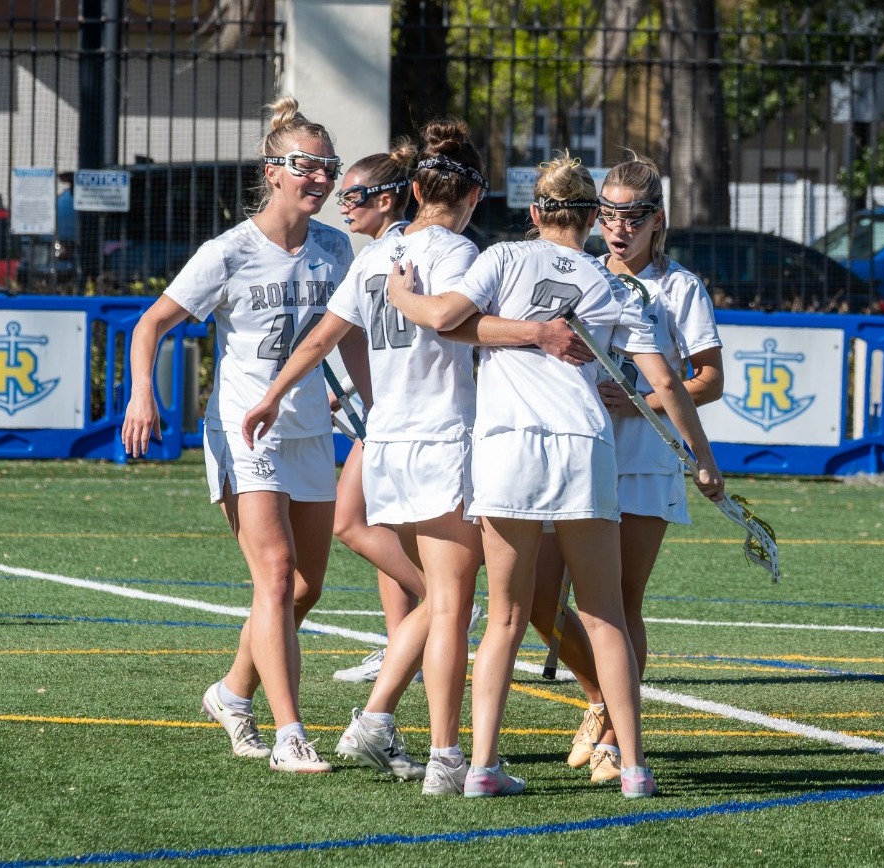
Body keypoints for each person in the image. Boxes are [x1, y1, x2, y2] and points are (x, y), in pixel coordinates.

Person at [385, 151, 724, 799]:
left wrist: (402, 291)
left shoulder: (503, 258)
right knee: (604, 616)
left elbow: (444, 320)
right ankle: (632, 767)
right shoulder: (611, 283)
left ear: (535, 210)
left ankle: (481, 767)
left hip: (507, 447)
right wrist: (703, 461)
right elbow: (669, 385)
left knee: (506, 617)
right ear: (594, 216)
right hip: (582, 446)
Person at [244, 118, 526, 794]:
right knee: (455, 602)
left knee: (441, 598)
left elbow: (318, 341)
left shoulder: (374, 257)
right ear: (474, 192)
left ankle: (377, 719)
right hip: (440, 438)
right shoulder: (456, 253)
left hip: (389, 445)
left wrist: (271, 396)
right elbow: (455, 322)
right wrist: (538, 335)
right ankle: (445, 759)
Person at [122, 96, 352, 773]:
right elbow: (149, 325)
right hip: (243, 429)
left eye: (328, 167)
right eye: (307, 166)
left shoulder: (336, 248)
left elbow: (348, 338)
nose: (320, 179)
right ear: (272, 171)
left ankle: (232, 692)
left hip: (312, 431)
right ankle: (290, 734)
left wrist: (369, 400)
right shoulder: (226, 252)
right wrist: (143, 395)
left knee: (305, 587)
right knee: (276, 577)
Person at [526, 153, 724, 784]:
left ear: (656, 219)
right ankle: (598, 697)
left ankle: (614, 734)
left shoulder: (679, 287)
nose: (617, 227)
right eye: (607, 213)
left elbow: (708, 380)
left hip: (643, 459)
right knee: (537, 599)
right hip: (574, 454)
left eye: (632, 216)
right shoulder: (578, 270)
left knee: (616, 602)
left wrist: (642, 397)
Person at [325, 144, 433, 684]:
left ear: (386, 199)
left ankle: (442, 604)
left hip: (404, 416)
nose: (342, 206)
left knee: (353, 521)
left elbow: (374, 341)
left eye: (352, 197)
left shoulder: (389, 255)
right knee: (377, 524)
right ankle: (405, 642)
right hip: (389, 410)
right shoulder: (383, 254)